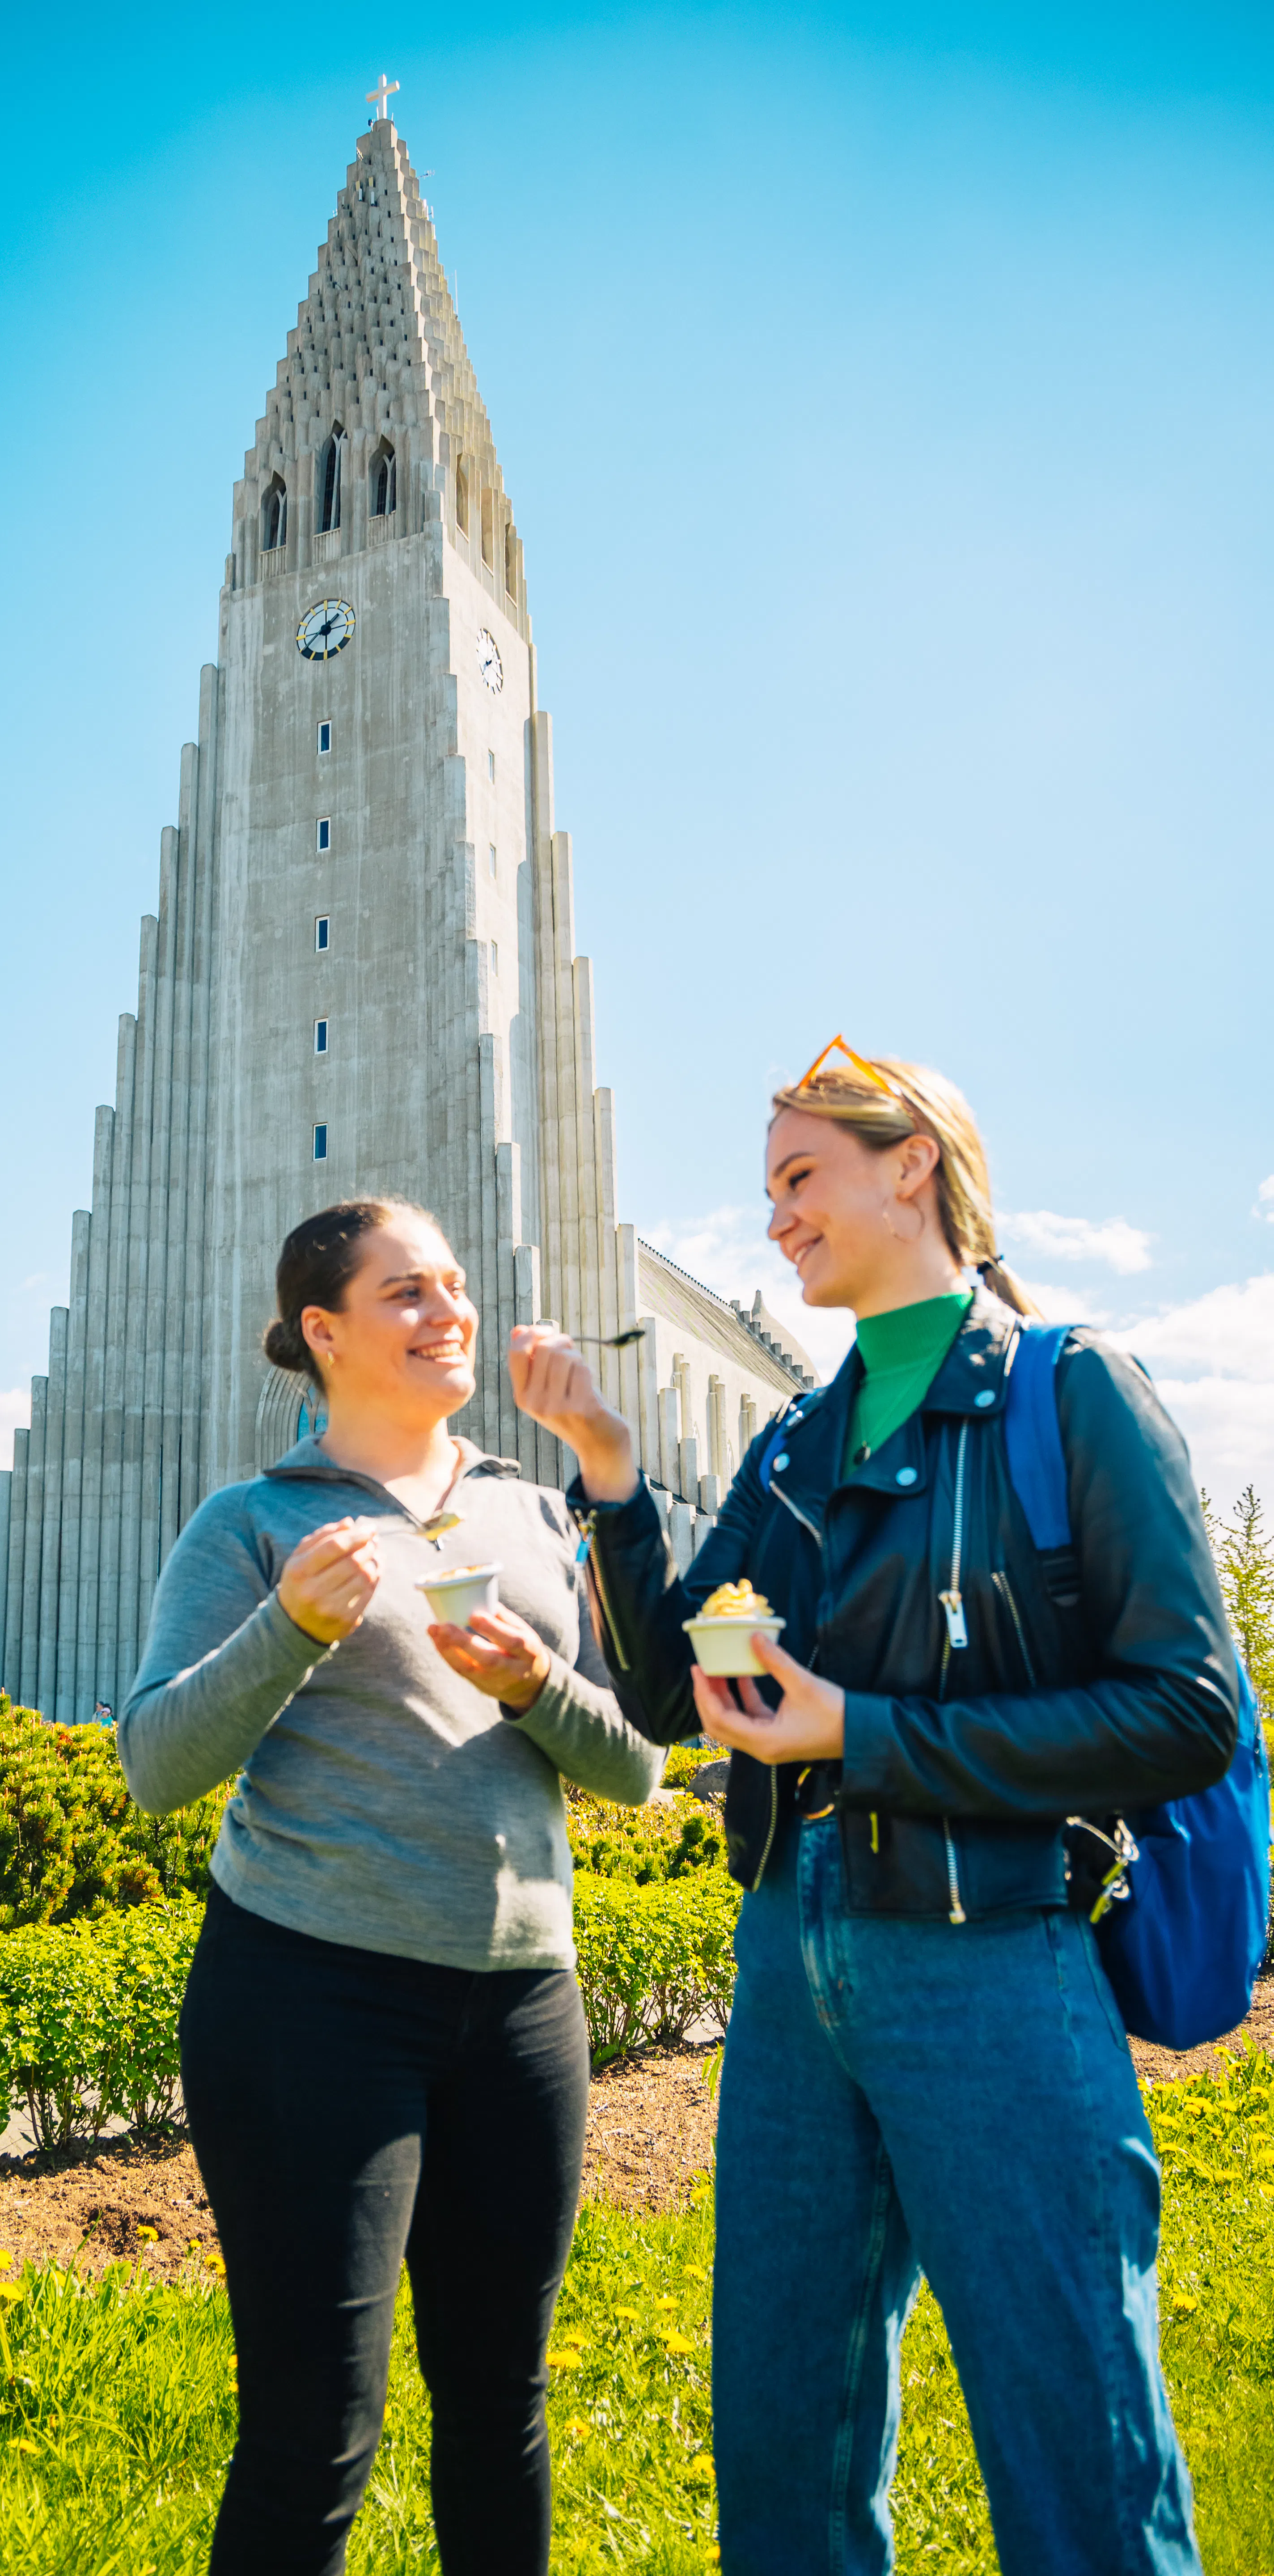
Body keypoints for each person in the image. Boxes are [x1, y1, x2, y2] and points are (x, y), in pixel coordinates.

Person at [508, 1042, 1238, 2576]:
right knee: (783, 2441)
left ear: (912, 1164)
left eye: (799, 1178)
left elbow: (1187, 1714)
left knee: (1075, 2447)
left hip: (994, 1961)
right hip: (788, 1962)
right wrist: (614, 1481)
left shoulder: (1072, 1391)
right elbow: (658, 1701)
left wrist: (871, 1733)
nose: (775, 1217)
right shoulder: (797, 1439)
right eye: (768, 1187)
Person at [118, 1195, 664, 2576]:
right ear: (325, 1331)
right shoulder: (253, 1524)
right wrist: (289, 1627)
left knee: (503, 2407)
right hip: (310, 2003)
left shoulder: (539, 1514)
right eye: (408, 1292)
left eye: (457, 1286)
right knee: (314, 2427)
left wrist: (537, 1684)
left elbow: (642, 1770)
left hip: (525, 2010)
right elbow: (157, 1765)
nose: (451, 1312)